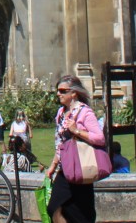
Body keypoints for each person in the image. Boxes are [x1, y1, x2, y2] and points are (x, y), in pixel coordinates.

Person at [49, 74, 107, 223]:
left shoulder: (84, 112)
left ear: (73, 93)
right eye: (58, 90)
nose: (58, 94)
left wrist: (76, 131)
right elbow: (60, 143)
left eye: (62, 91)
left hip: (81, 166)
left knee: (81, 213)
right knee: (54, 207)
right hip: (65, 168)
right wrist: (53, 165)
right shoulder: (61, 113)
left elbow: (100, 138)